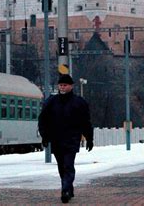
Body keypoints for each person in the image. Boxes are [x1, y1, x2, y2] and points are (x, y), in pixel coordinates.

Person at [38, 74, 94, 203]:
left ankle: (65, 190)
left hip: (72, 139)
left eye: (65, 85)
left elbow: (86, 122)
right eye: (61, 85)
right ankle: (68, 186)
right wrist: (45, 136)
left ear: (71, 86)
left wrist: (89, 138)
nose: (62, 87)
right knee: (61, 166)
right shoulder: (51, 101)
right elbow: (43, 120)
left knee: (68, 165)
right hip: (56, 139)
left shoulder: (79, 102)